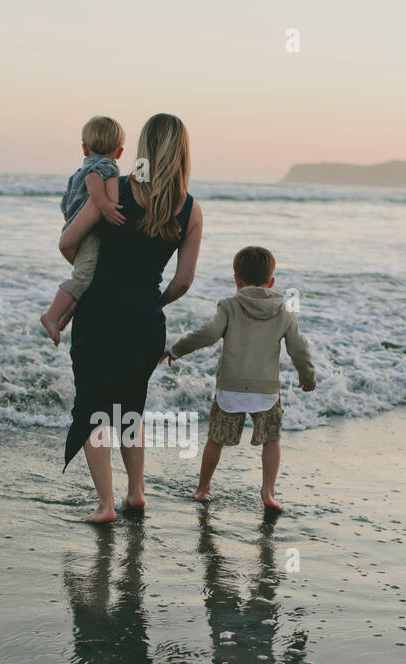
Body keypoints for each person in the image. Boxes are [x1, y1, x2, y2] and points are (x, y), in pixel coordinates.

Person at [59, 112, 203, 522]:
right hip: (145, 322)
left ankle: (105, 505)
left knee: (93, 408)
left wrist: (89, 273)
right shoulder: (190, 210)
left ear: (144, 148)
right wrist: (150, 301)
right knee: (130, 408)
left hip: (100, 314)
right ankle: (135, 493)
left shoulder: (115, 189)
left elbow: (67, 241)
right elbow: (183, 282)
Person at [161, 245, 315, 510]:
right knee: (272, 440)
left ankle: (202, 489)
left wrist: (176, 349)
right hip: (266, 390)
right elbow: (298, 348)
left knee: (216, 439)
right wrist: (307, 376)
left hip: (231, 388)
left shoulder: (230, 305)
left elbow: (208, 334)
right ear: (272, 281)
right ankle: (268, 494)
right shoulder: (283, 310)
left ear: (237, 280)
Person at [40, 116, 127, 344]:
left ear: (84, 148)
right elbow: (93, 180)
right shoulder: (107, 166)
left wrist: (71, 221)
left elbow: (65, 203)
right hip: (88, 232)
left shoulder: (79, 170)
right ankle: (51, 315)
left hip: (75, 226)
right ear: (119, 152)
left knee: (90, 279)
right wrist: (106, 206)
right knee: (84, 275)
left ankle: (65, 316)